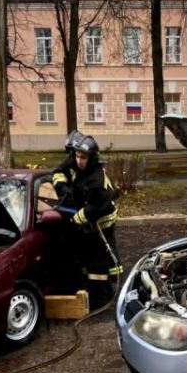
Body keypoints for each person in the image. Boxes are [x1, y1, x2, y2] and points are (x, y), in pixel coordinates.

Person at [50, 131, 121, 307]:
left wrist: (75, 220)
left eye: (83, 157)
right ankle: (94, 285)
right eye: (77, 156)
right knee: (88, 255)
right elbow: (59, 171)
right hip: (89, 214)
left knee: (99, 257)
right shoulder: (74, 162)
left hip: (102, 220)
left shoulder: (96, 179)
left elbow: (92, 211)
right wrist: (62, 187)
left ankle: (103, 294)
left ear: (91, 157)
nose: (78, 160)